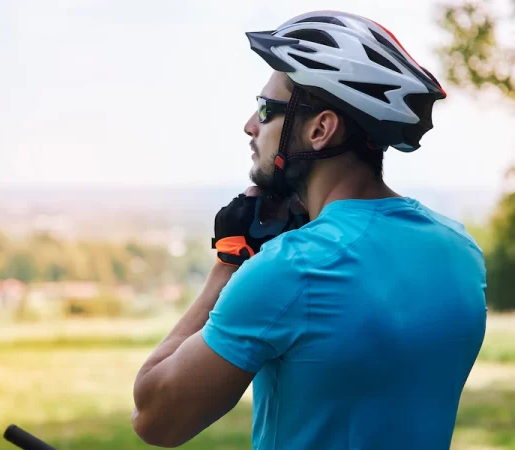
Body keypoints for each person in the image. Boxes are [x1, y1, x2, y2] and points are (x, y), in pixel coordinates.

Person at [131, 10, 487, 450]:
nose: (250, 125)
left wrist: (229, 264)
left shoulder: (293, 268)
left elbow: (156, 417)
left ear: (321, 130)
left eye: (266, 109)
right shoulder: (460, 250)